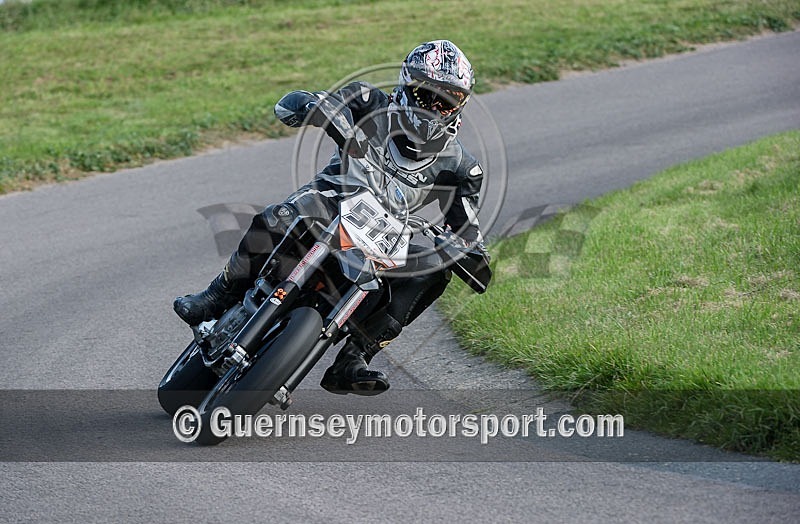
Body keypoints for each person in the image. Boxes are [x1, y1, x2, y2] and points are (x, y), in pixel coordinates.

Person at [174, 39, 489, 395]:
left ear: (460, 104)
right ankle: (217, 294)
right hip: (330, 202)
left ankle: (355, 358)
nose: (434, 107)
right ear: (405, 85)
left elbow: (468, 233)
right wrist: (313, 106)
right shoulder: (368, 101)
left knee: (435, 271)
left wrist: (464, 250)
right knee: (278, 217)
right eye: (426, 95)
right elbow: (319, 101)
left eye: (447, 100)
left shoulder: (463, 166)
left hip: (382, 237)